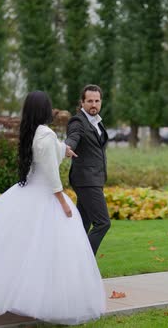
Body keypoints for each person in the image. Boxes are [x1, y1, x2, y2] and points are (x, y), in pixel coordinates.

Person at [0, 91, 106, 325]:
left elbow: (49, 153)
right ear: (45, 109)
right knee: (46, 248)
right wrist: (62, 200)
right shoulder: (44, 133)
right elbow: (49, 170)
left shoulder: (31, 131)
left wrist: (64, 149)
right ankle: (41, 298)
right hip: (45, 193)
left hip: (28, 191)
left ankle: (18, 295)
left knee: (21, 249)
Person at [65, 84, 110, 255]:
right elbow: (73, 137)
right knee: (103, 222)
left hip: (94, 179)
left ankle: (72, 264)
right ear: (82, 103)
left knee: (83, 224)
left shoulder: (97, 122)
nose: (94, 104)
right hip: (86, 180)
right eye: (90, 101)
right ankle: (85, 262)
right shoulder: (78, 121)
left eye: (97, 101)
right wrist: (67, 147)